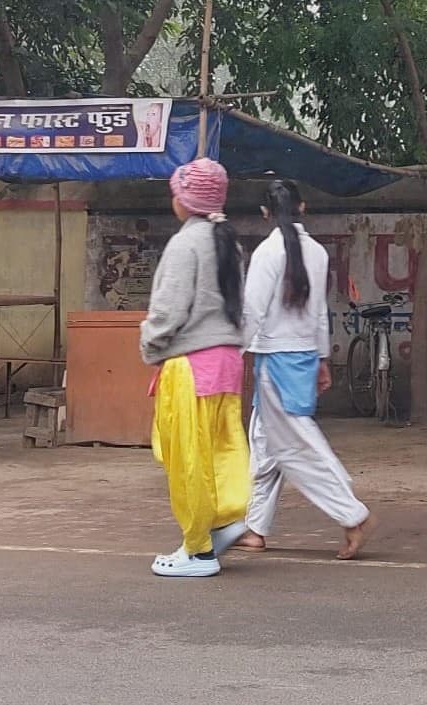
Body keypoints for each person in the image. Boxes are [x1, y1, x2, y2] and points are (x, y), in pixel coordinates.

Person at [232, 180, 374, 559]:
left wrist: (233, 351)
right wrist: (322, 358)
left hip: (274, 359)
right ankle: (256, 526)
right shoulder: (316, 253)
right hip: (300, 355)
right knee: (265, 444)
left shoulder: (266, 252)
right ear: (303, 207)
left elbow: (252, 312)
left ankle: (351, 514)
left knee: (295, 445)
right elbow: (319, 313)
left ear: (265, 213)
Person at [139, 157, 251, 579]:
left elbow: (167, 311)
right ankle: (224, 519)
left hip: (190, 365)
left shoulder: (185, 245)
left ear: (185, 200)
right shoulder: (229, 243)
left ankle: (198, 550)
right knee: (220, 449)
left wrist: (149, 343)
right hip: (226, 362)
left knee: (187, 457)